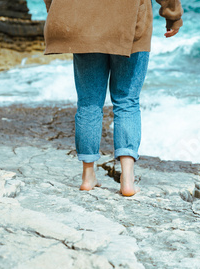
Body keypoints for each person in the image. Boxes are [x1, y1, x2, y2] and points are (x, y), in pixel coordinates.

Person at [43, 0, 183, 196]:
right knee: (127, 102)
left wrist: (58, 10)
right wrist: (173, 15)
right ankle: (127, 180)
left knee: (88, 104)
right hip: (131, 24)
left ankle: (88, 176)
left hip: (85, 26)